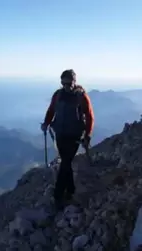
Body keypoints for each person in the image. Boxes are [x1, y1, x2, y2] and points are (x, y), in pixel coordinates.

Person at [41, 69, 94, 209]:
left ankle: (58, 196)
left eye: (69, 83)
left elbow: (89, 116)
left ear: (74, 82)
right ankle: (70, 190)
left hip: (74, 135)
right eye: (64, 83)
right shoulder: (58, 95)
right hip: (60, 134)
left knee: (65, 162)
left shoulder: (81, 97)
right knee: (66, 163)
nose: (66, 86)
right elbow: (51, 110)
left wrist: (87, 134)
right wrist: (46, 123)